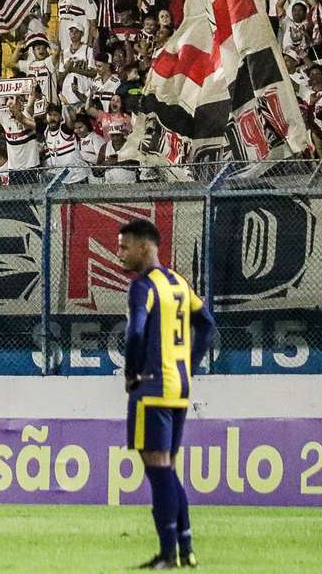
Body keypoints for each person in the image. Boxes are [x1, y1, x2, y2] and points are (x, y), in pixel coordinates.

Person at [117, 219, 215, 569]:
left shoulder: (142, 287)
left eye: (125, 246)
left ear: (146, 247)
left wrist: (131, 374)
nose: (120, 253)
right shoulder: (178, 282)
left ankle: (168, 554)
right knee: (167, 469)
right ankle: (186, 548)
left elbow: (136, 332)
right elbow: (206, 323)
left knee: (158, 471)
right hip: (179, 385)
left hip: (153, 386)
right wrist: (190, 361)